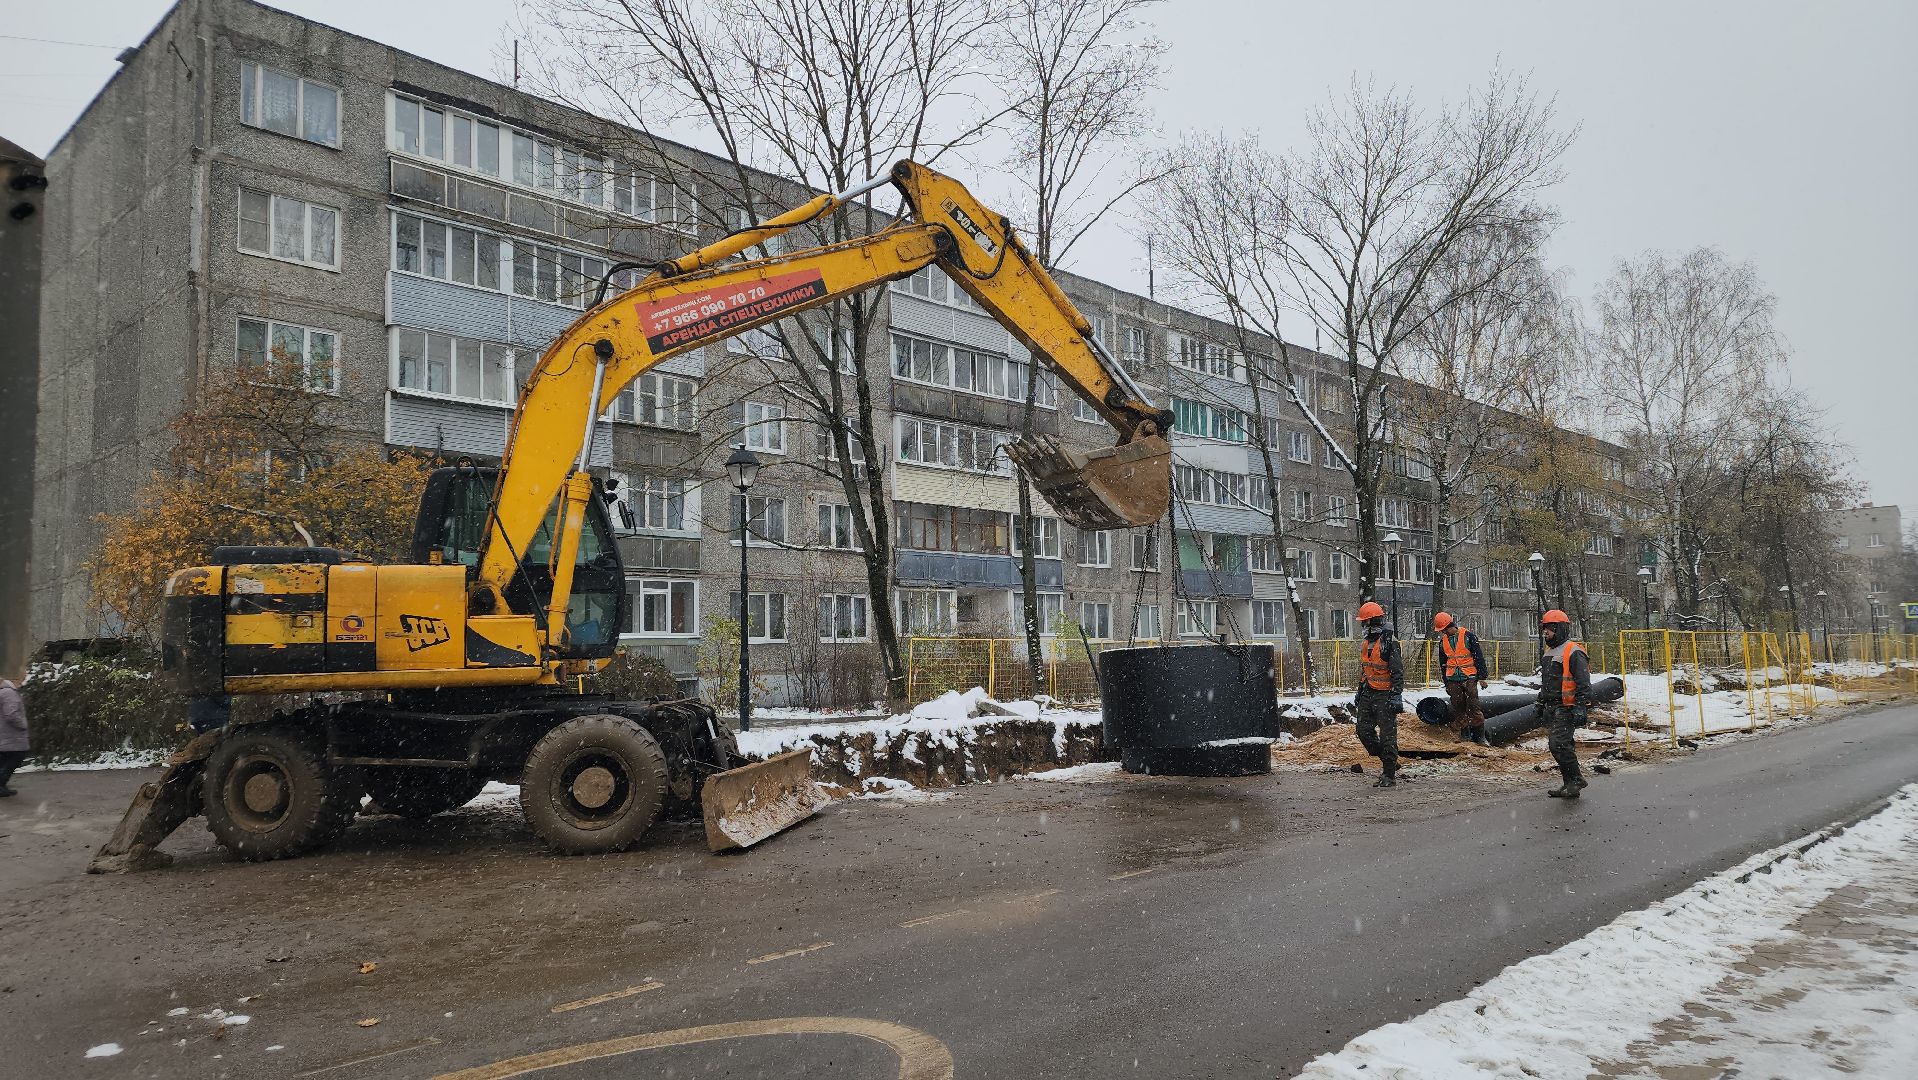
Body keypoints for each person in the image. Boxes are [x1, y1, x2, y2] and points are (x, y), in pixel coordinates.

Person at [1538, 609, 1591, 798]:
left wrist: (1580, 705)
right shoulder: (1549, 652)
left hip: (1566, 706)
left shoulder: (1574, 651)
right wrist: (1540, 702)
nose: (1546, 633)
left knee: (1558, 744)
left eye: (1549, 629)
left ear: (1559, 629)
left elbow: (1583, 682)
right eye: (1544, 629)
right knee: (1563, 745)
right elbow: (1547, 681)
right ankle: (1570, 783)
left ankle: (1575, 780)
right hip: (1552, 706)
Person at [1353, 600, 1404, 787]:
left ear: (1372, 622)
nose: (1362, 626)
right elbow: (1365, 669)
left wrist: (1396, 694)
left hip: (1385, 695)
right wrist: (1360, 691)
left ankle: (1389, 774)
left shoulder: (1390, 642)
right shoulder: (1366, 642)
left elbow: (1397, 671)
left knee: (1387, 735)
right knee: (1363, 730)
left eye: (1364, 622)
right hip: (1368, 691)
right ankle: (1388, 759)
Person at [1433, 612, 1490, 745]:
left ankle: (1480, 737)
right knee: (1458, 706)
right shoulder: (1443, 642)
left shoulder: (1468, 636)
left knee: (1473, 706)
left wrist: (1482, 677)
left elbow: (1478, 657)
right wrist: (1446, 682)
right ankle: (1465, 735)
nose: (1442, 633)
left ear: (1448, 626)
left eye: (1443, 630)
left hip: (1469, 676)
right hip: (1452, 678)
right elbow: (1443, 663)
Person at [0, 670, 28, 797]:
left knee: (6, 759)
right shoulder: (9, 693)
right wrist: (23, 724)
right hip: (11, 734)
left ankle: (2, 784)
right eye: (23, 678)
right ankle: (1, 784)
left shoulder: (7, 691)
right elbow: (11, 715)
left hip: (7, 734)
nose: (23, 681)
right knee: (17, 756)